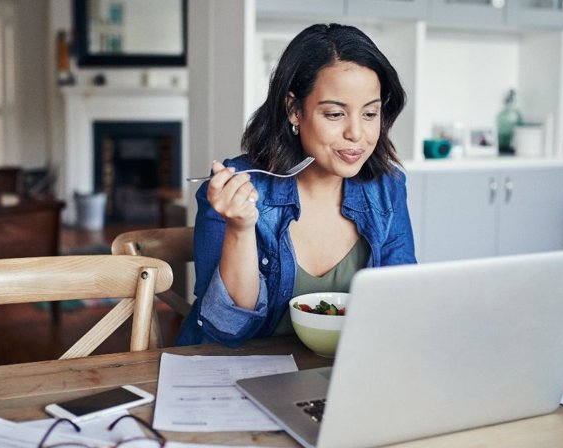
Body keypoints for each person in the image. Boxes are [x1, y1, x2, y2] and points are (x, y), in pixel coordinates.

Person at [176, 23, 416, 347]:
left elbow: (401, 304)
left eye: (370, 113)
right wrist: (240, 229)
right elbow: (227, 329)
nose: (357, 133)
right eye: (335, 114)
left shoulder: (387, 188)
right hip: (237, 375)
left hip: (337, 376)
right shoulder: (237, 189)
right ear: (294, 110)